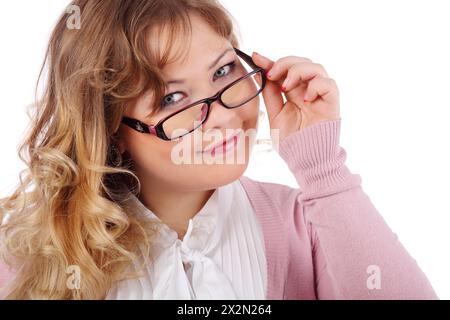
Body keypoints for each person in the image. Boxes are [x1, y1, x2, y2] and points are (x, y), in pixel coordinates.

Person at [0, 0, 438, 299]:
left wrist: (322, 170)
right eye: (173, 99)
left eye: (225, 70)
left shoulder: (303, 224)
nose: (225, 116)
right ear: (111, 128)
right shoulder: (30, 250)